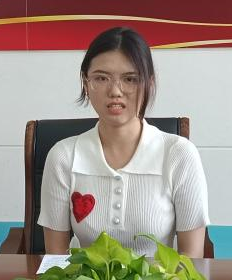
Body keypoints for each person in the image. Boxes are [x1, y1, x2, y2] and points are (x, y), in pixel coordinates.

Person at [38, 27, 209, 258]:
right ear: (86, 83)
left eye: (130, 79)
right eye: (101, 78)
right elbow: (56, 257)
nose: (115, 91)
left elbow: (192, 256)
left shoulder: (179, 154)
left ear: (149, 83)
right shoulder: (63, 156)